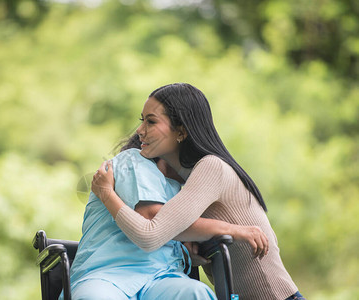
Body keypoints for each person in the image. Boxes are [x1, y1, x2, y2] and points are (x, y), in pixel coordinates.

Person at [92, 83, 305, 300]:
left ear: (181, 132)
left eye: (151, 121)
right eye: (142, 120)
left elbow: (150, 233)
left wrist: (106, 193)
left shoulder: (211, 168)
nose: (139, 130)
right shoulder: (185, 183)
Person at [63, 137, 270, 299]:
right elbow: (155, 219)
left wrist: (186, 252)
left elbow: (170, 231)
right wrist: (232, 229)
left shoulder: (175, 189)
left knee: (195, 294)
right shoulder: (133, 161)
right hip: (109, 274)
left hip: (159, 278)